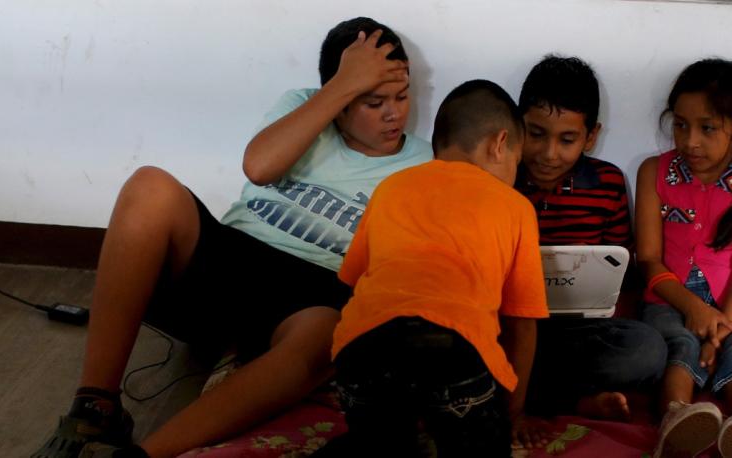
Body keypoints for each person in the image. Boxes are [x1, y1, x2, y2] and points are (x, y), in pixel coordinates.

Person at [31, 17, 433, 458]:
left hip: (316, 290)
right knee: (150, 186)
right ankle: (95, 406)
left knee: (333, 333)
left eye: (401, 95)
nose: (395, 113)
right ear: (337, 99)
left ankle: (147, 454)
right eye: (373, 101)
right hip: (235, 260)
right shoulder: (303, 106)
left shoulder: (425, 163)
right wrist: (342, 85)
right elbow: (259, 167)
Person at [312, 79, 549, 457]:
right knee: (475, 440)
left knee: (378, 441)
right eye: (517, 163)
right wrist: (512, 412)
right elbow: (522, 325)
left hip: (364, 348)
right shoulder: (515, 206)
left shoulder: (390, 187)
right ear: (500, 145)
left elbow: (353, 281)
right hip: (452, 349)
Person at [512, 55, 667, 448]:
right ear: (517, 125)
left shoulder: (607, 182)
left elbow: (623, 264)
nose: (549, 153)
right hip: (510, 324)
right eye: (536, 133)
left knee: (647, 350)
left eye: (567, 140)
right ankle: (574, 400)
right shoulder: (501, 177)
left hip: (577, 330)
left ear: (591, 135)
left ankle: (533, 390)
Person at [636, 58, 732, 458]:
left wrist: (721, 326)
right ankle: (676, 420)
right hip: (668, 297)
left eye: (707, 128)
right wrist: (693, 308)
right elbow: (648, 260)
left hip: (728, 304)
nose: (690, 140)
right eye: (680, 124)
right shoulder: (654, 172)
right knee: (677, 341)